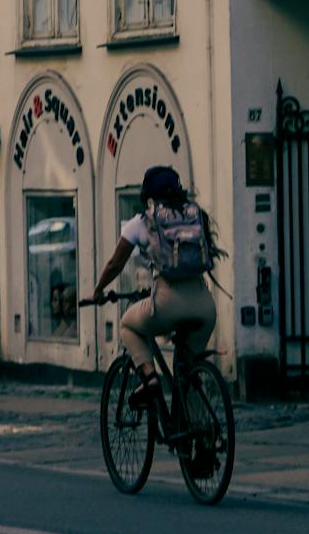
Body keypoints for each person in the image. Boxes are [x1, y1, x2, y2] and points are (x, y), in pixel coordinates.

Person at [92, 164, 216, 396]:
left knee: (127, 325)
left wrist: (98, 290)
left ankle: (149, 378)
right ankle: (201, 428)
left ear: (147, 194)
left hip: (166, 305)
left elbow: (115, 265)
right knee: (187, 371)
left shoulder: (141, 223)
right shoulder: (194, 215)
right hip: (205, 307)